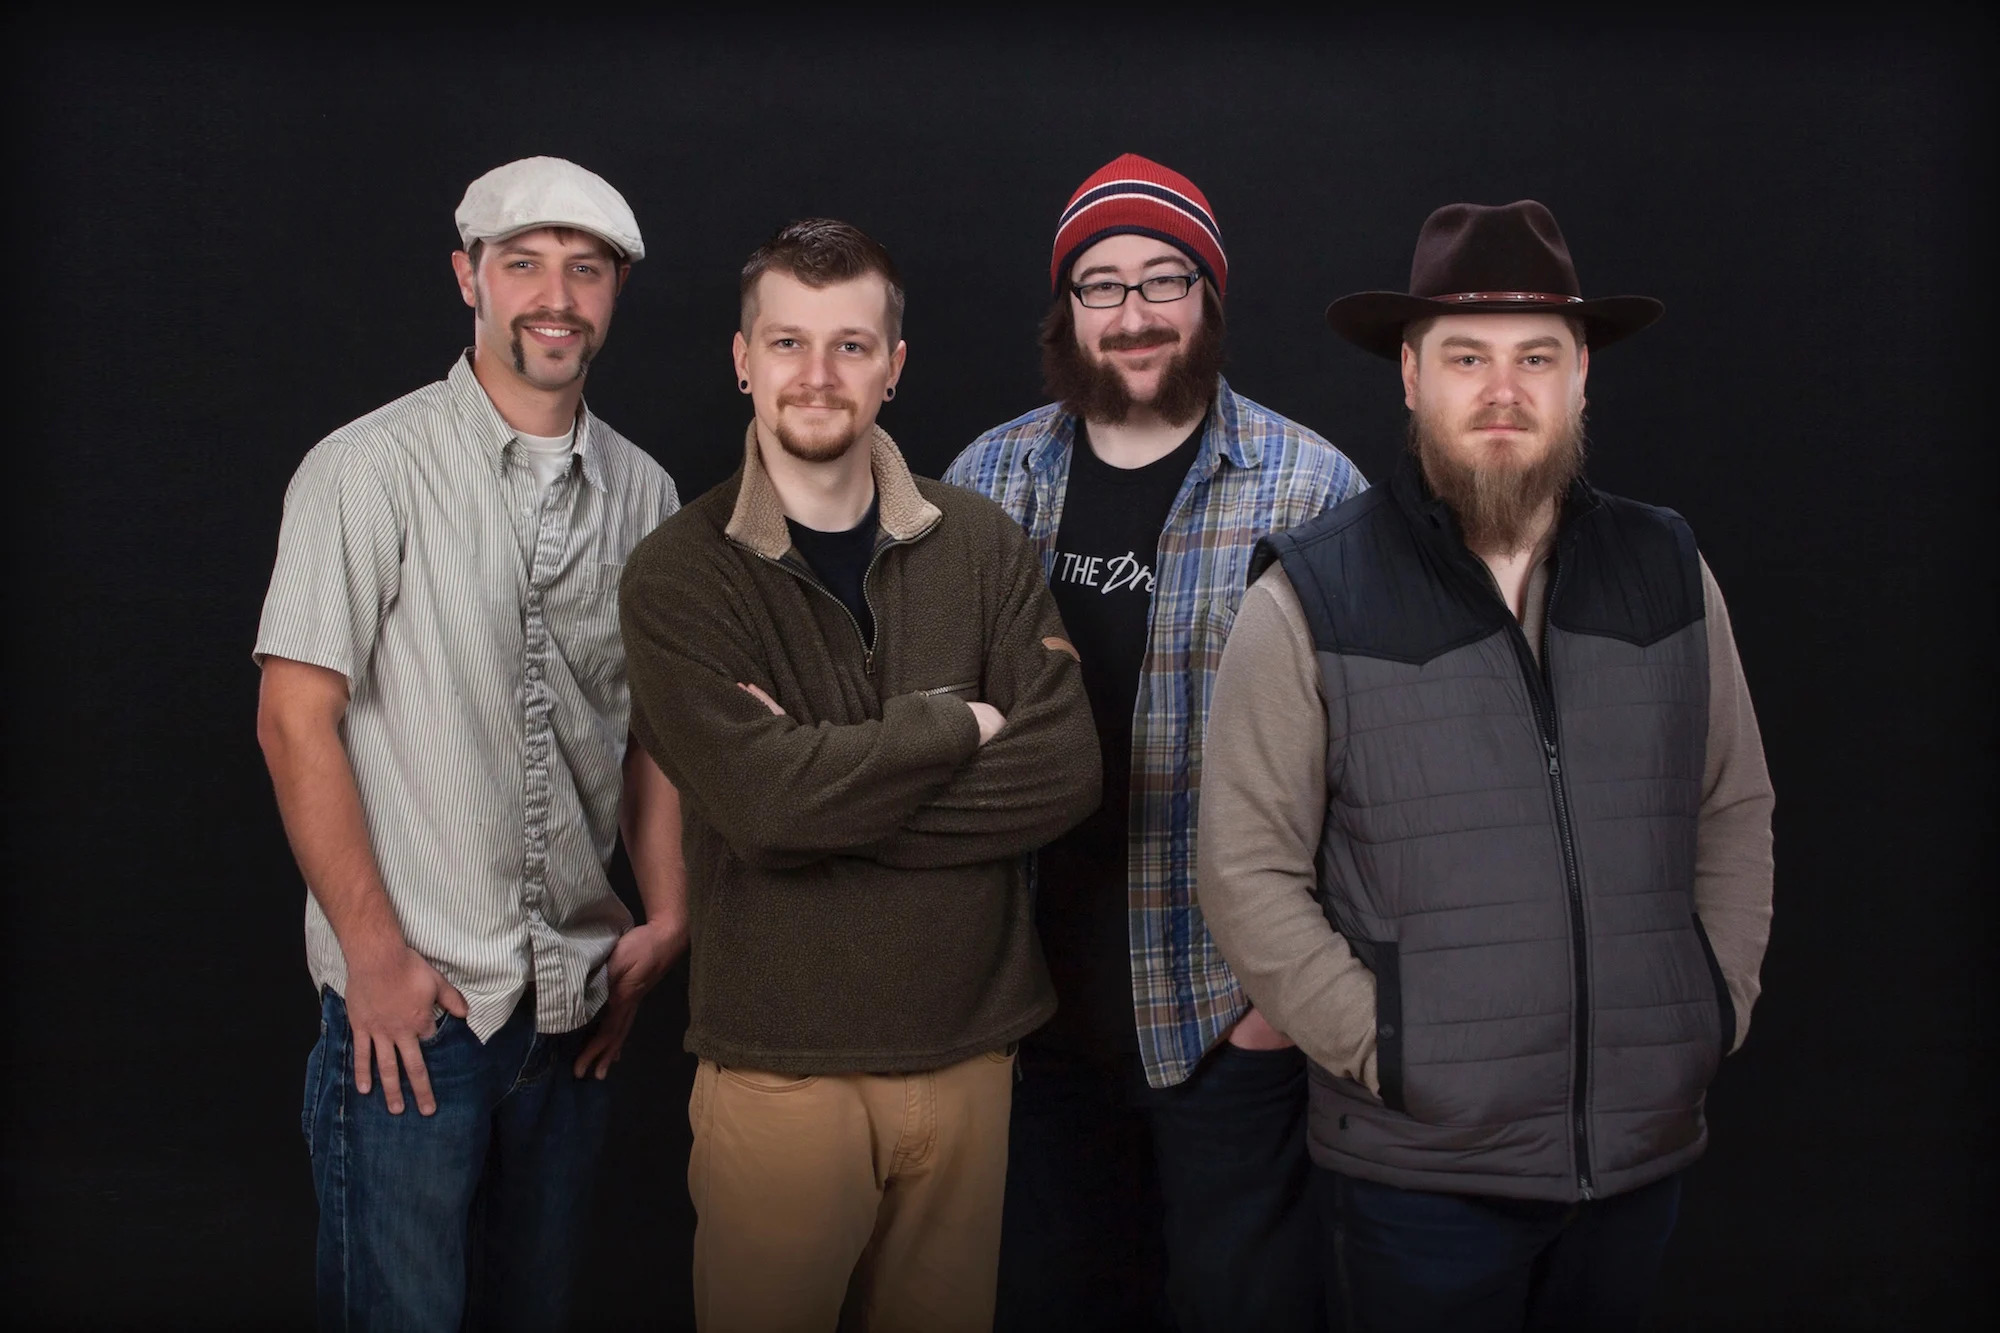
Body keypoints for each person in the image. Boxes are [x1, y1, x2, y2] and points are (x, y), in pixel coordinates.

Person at [1198, 199, 1776, 1332]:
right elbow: (1243, 871)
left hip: (1638, 1153)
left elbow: (1732, 801)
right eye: (1466, 357)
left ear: (1580, 378)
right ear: (1412, 377)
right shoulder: (1310, 593)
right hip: (1420, 1176)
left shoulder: (1667, 567)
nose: (1502, 389)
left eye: (1535, 358)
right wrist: (1390, 1049)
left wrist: (1714, 1004)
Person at [618, 218, 1101, 1333]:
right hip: (783, 1073)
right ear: (743, 360)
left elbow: (1064, 769)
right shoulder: (677, 574)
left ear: (894, 365)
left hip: (973, 1058)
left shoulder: (981, 542)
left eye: (850, 344)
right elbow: (761, 807)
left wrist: (817, 789)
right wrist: (953, 723)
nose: (817, 374)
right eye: (787, 342)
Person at [253, 156, 686, 1331]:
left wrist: (668, 915)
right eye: (523, 264)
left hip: (573, 1009)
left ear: (614, 292)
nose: (555, 296)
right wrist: (374, 957)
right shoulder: (366, 467)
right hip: (416, 1012)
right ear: (468, 278)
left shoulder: (645, 496)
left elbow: (651, 731)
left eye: (585, 270)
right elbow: (293, 718)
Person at [944, 153, 1365, 1332]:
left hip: (1222, 1014)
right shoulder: (985, 479)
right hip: (1028, 1011)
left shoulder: (1309, 487)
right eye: (1101, 285)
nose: (1132, 313)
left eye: (1162, 280)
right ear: (1067, 309)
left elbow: (1366, 766)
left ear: (1207, 297)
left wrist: (1275, 1006)